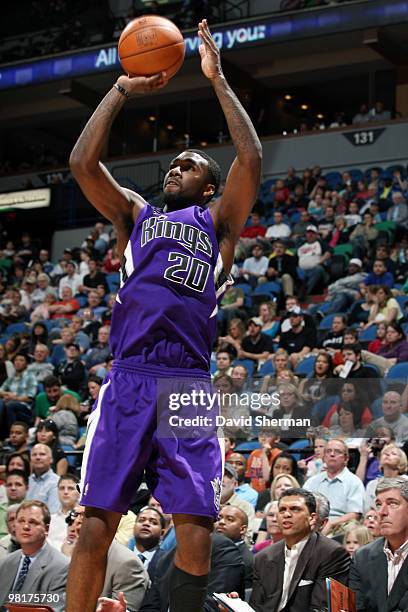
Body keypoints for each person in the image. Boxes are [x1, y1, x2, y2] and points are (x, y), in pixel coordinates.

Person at [66, 18, 262, 612]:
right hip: (129, 376)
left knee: (195, 525)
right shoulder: (136, 215)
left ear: (208, 188)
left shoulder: (219, 226)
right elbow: (82, 163)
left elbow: (250, 157)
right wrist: (122, 89)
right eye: (172, 162)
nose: (176, 166)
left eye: (191, 163)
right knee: (96, 523)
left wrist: (218, 81)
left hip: (186, 383)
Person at [239, 488, 350, 611]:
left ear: (312, 518)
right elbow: (257, 607)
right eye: (282, 510)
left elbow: (323, 608)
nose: (286, 514)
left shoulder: (332, 553)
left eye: (295, 509)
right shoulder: (263, 557)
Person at [349, 477, 408, 612]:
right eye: (379, 504)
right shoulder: (362, 556)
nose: (381, 512)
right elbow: (356, 608)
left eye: (392, 503)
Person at [0, 500, 69, 611]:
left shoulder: (62, 566)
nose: (26, 526)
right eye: (21, 521)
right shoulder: (4, 563)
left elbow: (55, 609)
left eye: (33, 522)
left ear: (46, 529)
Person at [303, 439, 365, 536]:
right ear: (323, 457)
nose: (332, 454)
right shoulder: (312, 481)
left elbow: (355, 514)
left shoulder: (354, 482)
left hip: (339, 528)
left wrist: (331, 524)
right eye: (328, 451)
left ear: (346, 459)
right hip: (313, 524)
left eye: (337, 452)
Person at [215, 505, 253, 588]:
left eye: (230, 519)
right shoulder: (208, 550)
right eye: (218, 518)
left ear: (242, 529)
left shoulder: (246, 560)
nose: (221, 522)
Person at [127, 506, 166, 580]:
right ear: (134, 527)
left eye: (154, 522)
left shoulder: (167, 562)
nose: (146, 524)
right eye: (141, 520)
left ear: (162, 533)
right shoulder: (121, 556)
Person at [48, 474, 81, 550]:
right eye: (62, 488)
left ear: (79, 493)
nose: (65, 492)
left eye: (70, 488)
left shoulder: (83, 520)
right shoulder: (50, 519)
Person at [27, 443, 60, 513]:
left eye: (42, 454)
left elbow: (53, 512)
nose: (37, 457)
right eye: (34, 455)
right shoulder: (26, 481)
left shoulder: (57, 482)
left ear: (51, 459)